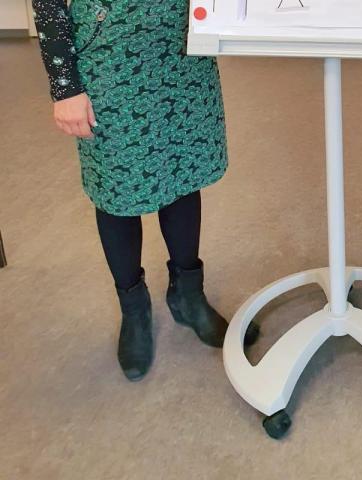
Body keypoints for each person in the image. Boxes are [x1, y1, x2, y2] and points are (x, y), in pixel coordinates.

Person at [33, 0, 230, 382]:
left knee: (182, 173)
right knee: (116, 191)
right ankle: (134, 312)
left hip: (182, 48)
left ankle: (188, 296)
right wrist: (65, 87)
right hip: (109, 56)